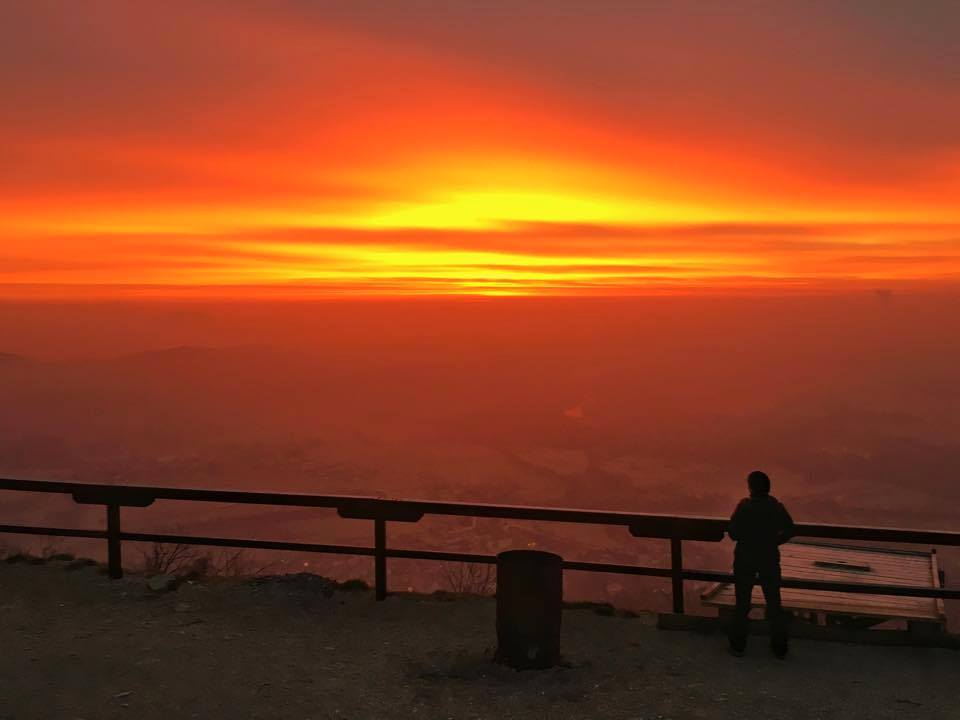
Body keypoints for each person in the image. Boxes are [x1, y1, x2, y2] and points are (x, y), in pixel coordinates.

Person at [727, 470, 794, 658]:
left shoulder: (744, 507)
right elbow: (790, 529)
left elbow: (733, 532)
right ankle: (779, 647)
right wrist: (774, 542)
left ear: (751, 487)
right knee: (774, 602)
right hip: (769, 557)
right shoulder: (775, 507)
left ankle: (738, 644)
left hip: (745, 558)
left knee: (742, 602)